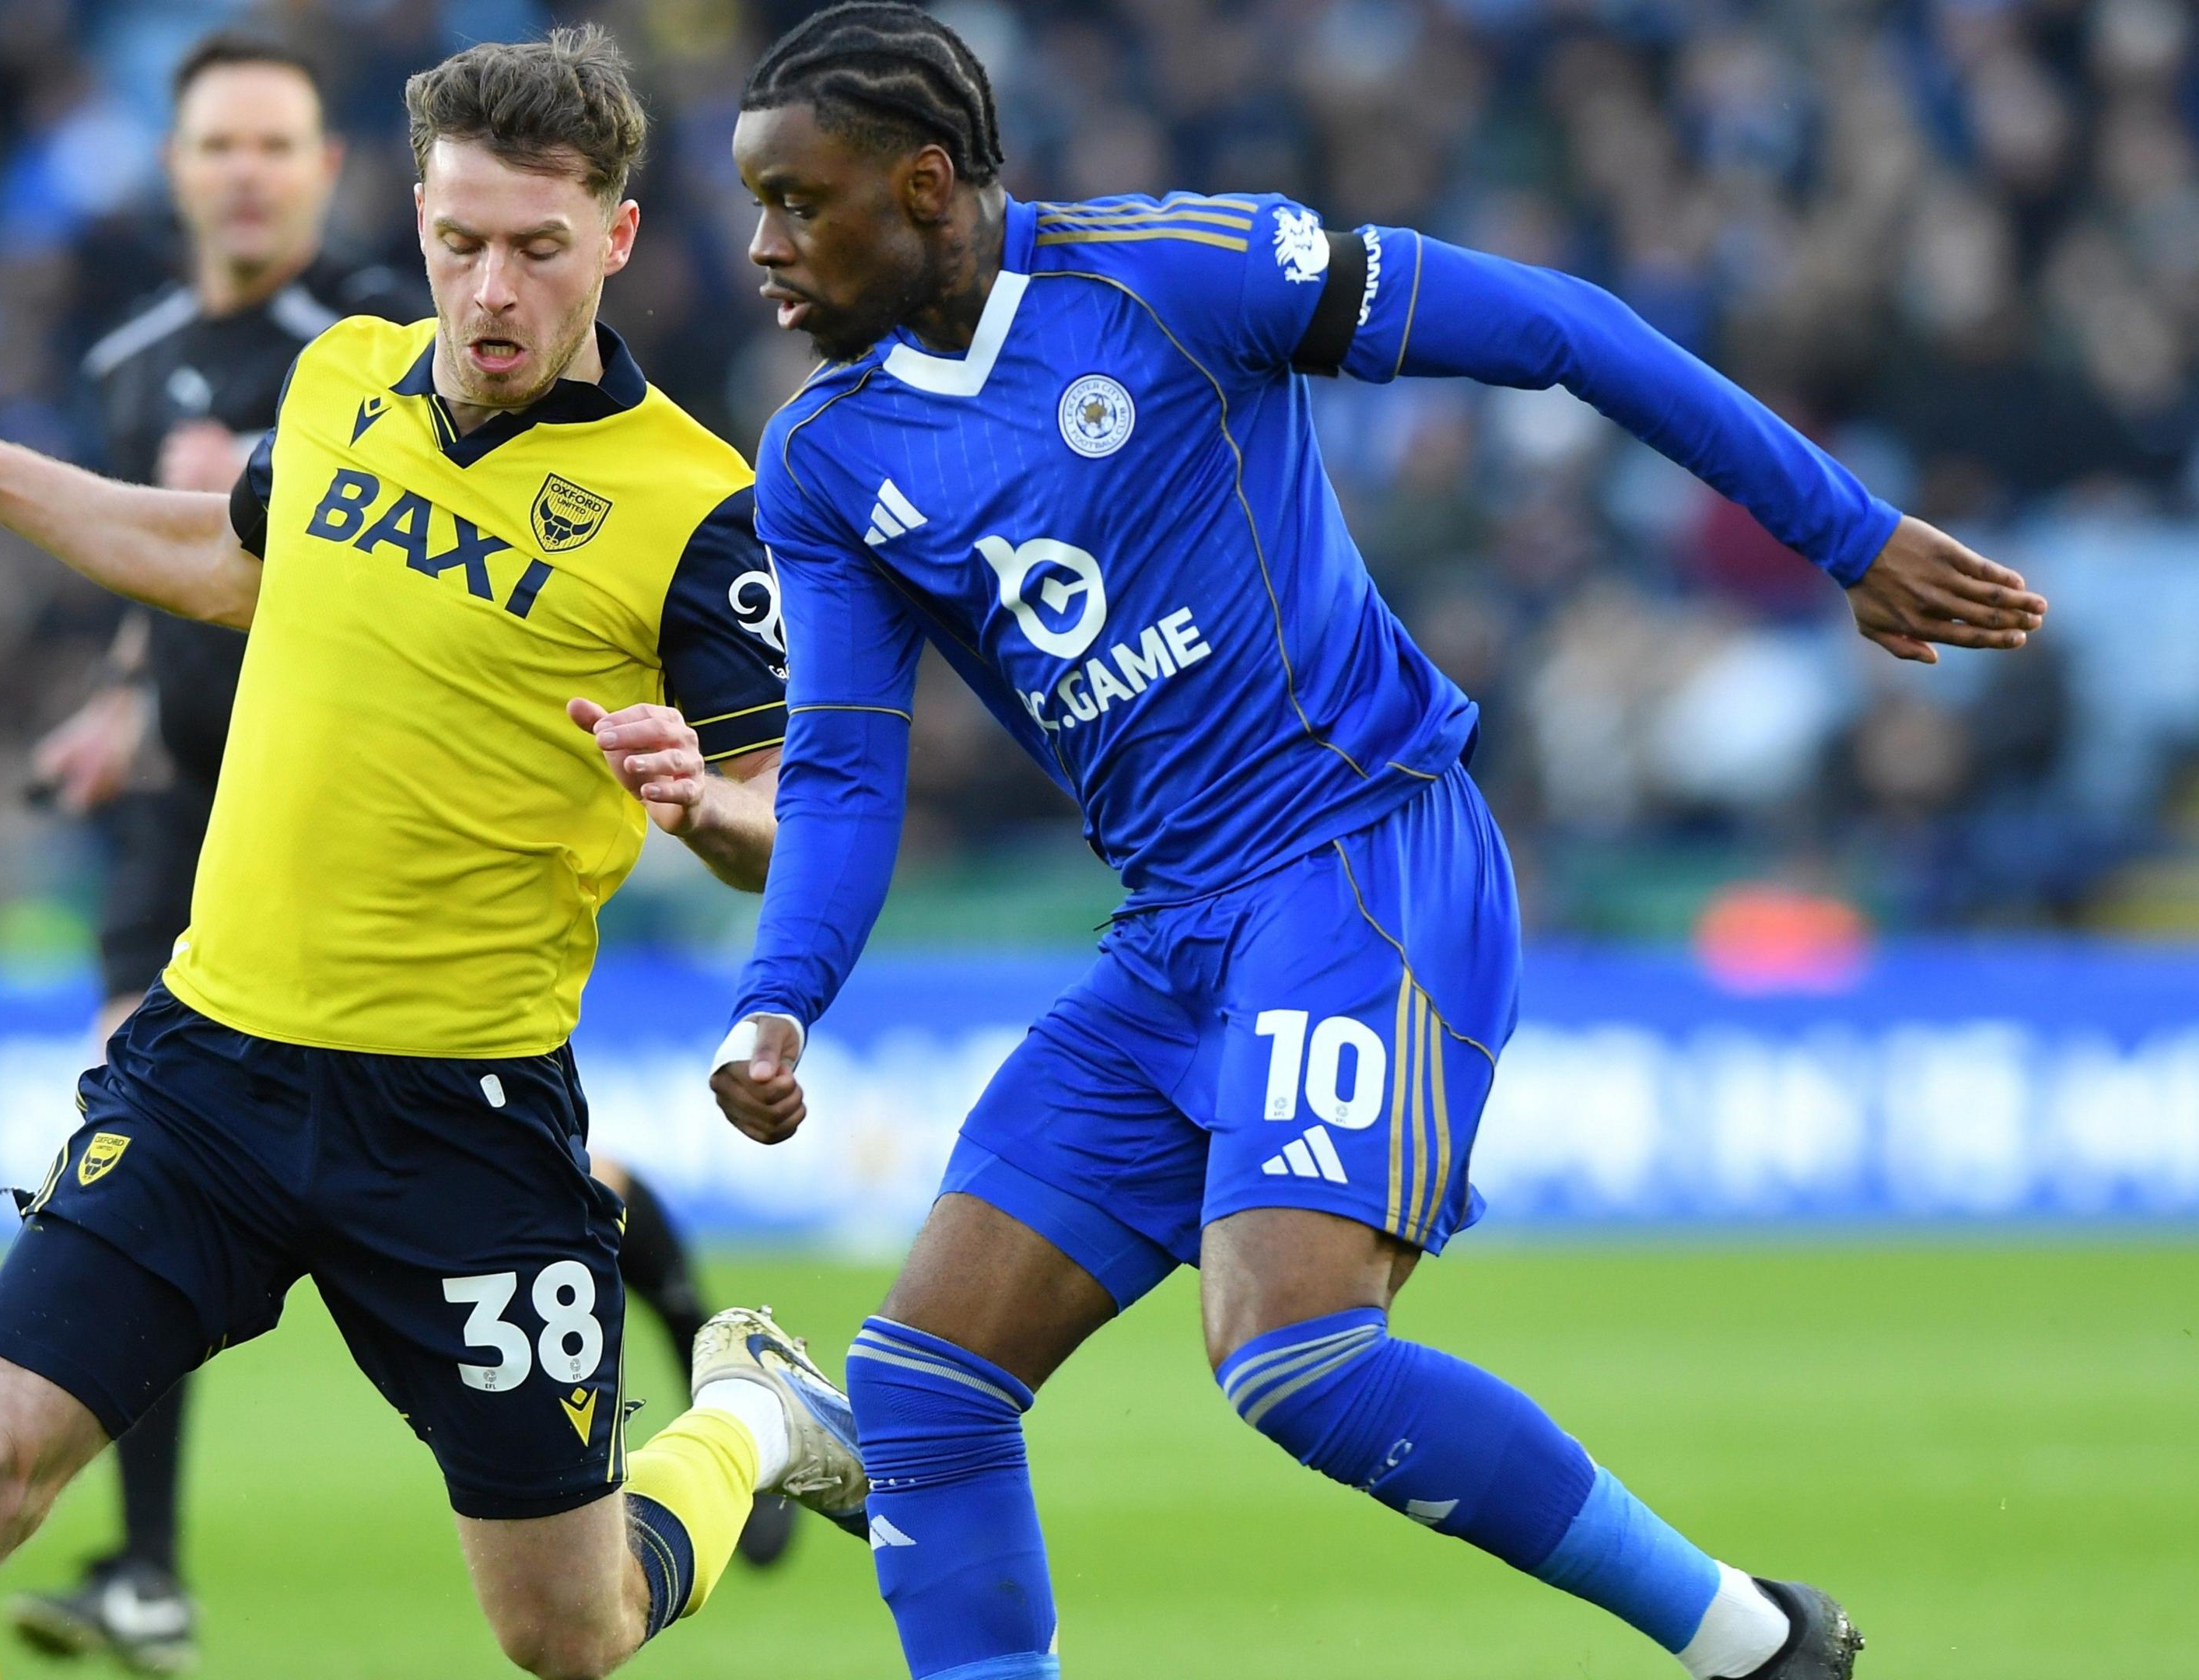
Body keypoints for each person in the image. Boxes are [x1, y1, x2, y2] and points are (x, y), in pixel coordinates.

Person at [706, 7, 2050, 1680]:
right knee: (918, 1395)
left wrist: (1841, 531)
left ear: (922, 185)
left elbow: (1558, 325)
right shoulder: (826, 461)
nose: (761, 245)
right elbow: (841, 773)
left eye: (796, 200)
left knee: (1293, 1357)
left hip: (1363, 853)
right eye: (754, 205)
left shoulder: (1178, 277)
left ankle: (1751, 1645)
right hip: (1175, 930)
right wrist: (782, 998)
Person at [0, 29, 860, 1680]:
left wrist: (707, 807)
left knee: (570, 1634)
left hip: (460, 1120)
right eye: (458, 241)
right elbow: (230, 563)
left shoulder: (699, 504)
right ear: (417, 216)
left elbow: (793, 816)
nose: (488, 289)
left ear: (619, 241)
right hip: (207, 1072)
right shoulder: (345, 374)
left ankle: (746, 1420)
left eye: (535, 249)